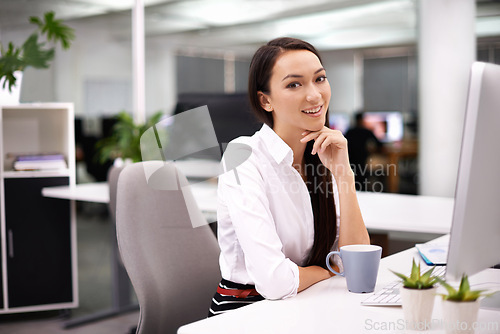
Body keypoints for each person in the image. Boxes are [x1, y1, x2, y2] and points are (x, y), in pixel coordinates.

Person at [208, 37, 370, 317]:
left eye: (320, 79)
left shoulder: (322, 155)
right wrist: (327, 270)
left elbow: (356, 264)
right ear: (265, 100)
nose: (315, 96)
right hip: (245, 312)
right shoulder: (243, 156)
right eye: (294, 84)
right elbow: (275, 282)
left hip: (305, 302)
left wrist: (343, 172)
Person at [344, 112, 383, 191]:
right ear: (362, 120)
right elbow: (379, 144)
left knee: (353, 178)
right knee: (362, 178)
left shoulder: (350, 131)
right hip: (362, 159)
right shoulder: (366, 131)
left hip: (350, 159)